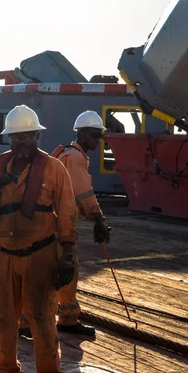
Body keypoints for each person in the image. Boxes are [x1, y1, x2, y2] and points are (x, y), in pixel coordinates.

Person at [0, 105, 78, 373]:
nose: (21, 143)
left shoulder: (55, 169)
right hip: (3, 254)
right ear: (9, 139)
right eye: (15, 137)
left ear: (37, 136)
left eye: (27, 136)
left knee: (42, 319)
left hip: (39, 255)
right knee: (4, 318)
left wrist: (66, 254)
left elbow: (66, 211)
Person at [50, 110, 111, 336]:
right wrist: (99, 220)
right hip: (60, 224)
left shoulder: (67, 154)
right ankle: (66, 319)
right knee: (67, 269)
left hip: (52, 221)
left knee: (45, 270)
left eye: (99, 137)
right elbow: (84, 194)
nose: (97, 142)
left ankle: (28, 321)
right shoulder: (75, 158)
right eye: (95, 136)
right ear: (82, 133)